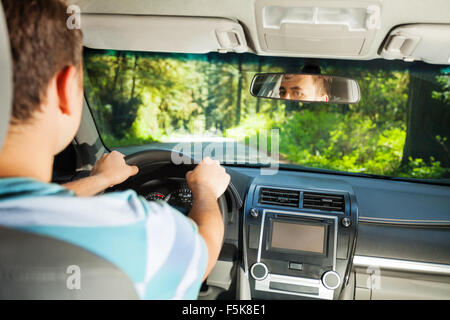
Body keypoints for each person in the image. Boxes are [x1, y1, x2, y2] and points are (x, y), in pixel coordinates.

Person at [0, 0, 230, 299]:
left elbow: (26, 204)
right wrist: (206, 192)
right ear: (65, 90)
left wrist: (101, 180)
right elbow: (203, 250)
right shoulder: (136, 232)